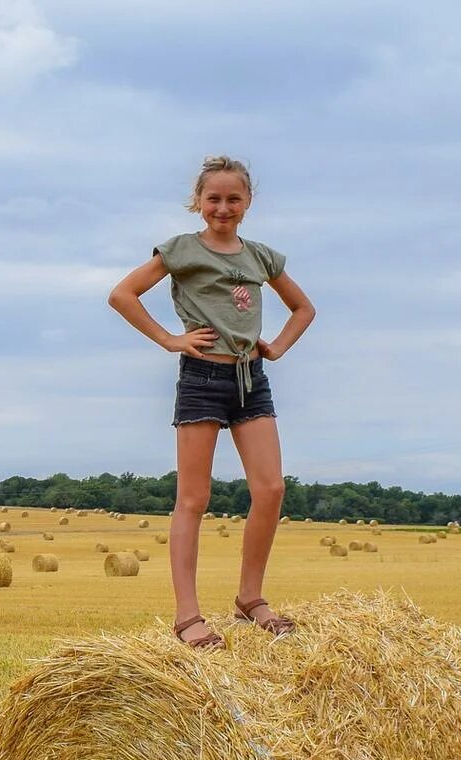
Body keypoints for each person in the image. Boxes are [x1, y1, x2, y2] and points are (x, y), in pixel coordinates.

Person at [107, 155, 315, 649]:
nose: (223, 207)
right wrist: (168, 339)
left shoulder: (262, 257)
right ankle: (188, 617)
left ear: (248, 203)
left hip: (251, 380)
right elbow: (123, 294)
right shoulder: (181, 249)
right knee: (194, 499)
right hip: (202, 377)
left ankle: (250, 597)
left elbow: (304, 308)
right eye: (214, 198)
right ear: (198, 202)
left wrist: (277, 346)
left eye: (233, 198)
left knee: (271, 489)